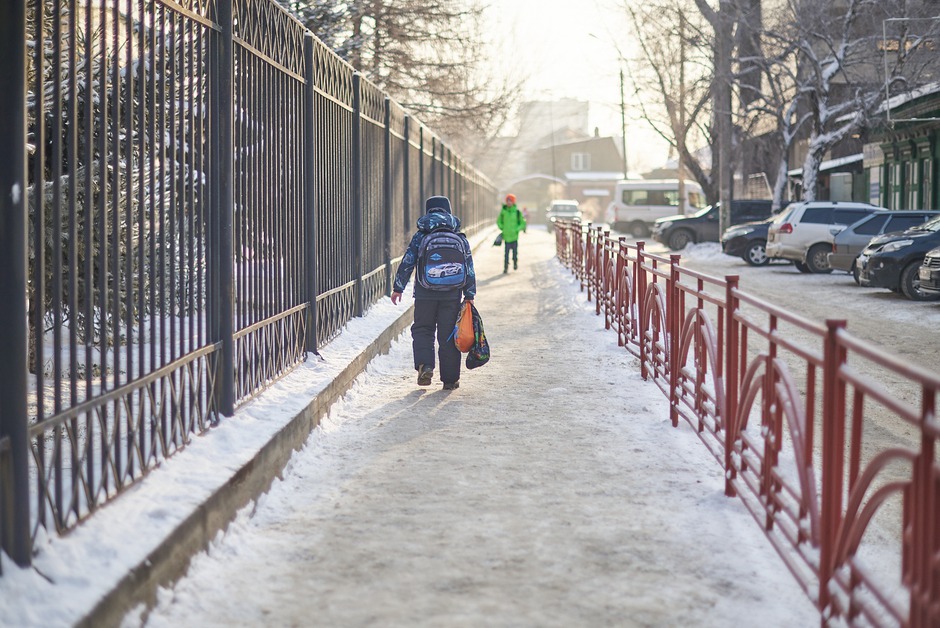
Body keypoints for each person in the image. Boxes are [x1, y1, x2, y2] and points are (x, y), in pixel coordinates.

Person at [391, 195, 476, 391]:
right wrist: (469, 294)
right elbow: (469, 267)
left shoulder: (421, 235)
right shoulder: (459, 236)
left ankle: (425, 365)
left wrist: (398, 287)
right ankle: (450, 380)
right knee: (448, 336)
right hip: (452, 294)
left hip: (424, 293)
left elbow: (408, 261)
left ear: (428, 210)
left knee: (423, 329)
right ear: (448, 210)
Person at [497, 193, 527, 273]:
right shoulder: (503, 212)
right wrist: (502, 227)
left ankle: (515, 263)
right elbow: (499, 221)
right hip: (506, 236)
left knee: (514, 252)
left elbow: (522, 223)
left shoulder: (517, 212)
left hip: (514, 236)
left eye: (510, 201)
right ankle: (505, 267)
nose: (509, 202)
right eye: (508, 201)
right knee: (506, 254)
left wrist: (517, 229)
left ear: (513, 202)